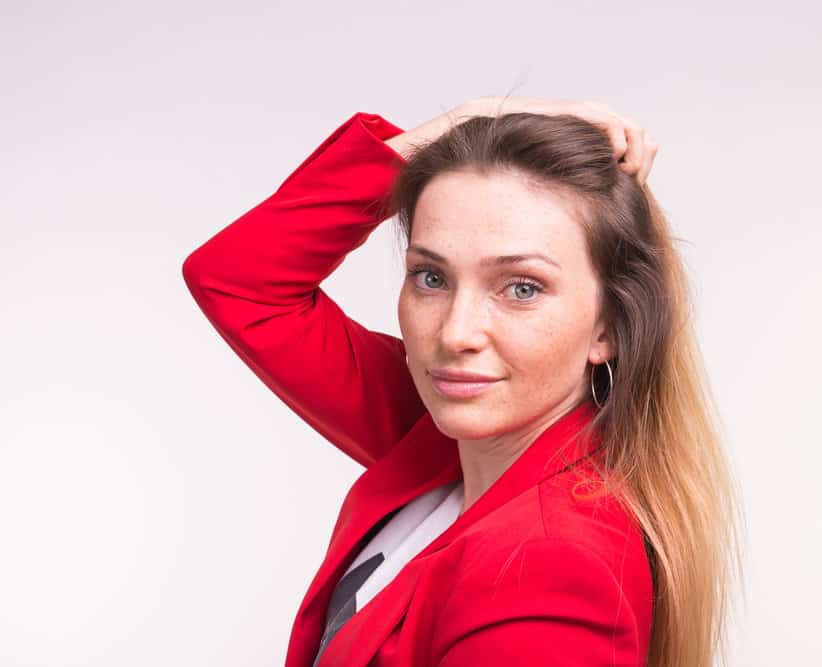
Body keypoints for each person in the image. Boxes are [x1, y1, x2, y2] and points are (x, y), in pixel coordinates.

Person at [182, 96, 745, 667]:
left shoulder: (549, 571)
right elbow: (239, 279)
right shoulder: (443, 440)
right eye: (431, 277)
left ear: (610, 327)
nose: (455, 334)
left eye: (521, 287)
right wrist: (459, 124)